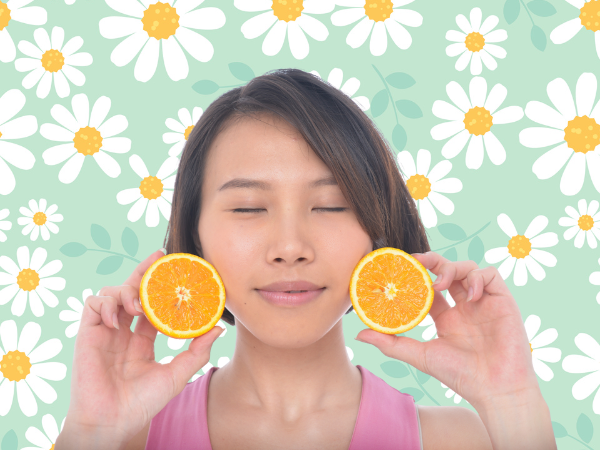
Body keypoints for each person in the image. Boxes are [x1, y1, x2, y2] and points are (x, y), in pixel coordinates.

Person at [55, 68, 556, 450]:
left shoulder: (457, 440)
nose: (290, 246)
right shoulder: (123, 440)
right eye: (249, 207)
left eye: (331, 205)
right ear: (195, 236)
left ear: (376, 231)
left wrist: (512, 402)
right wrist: (89, 430)